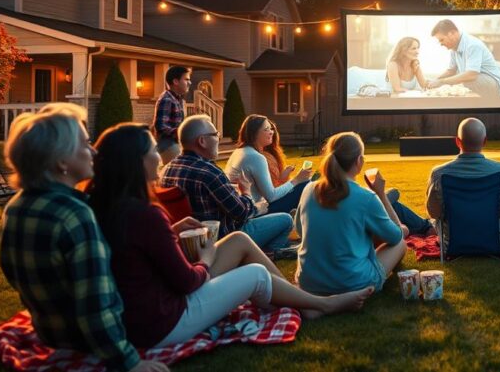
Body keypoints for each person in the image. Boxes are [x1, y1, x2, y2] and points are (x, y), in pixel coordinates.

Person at [87, 123, 372, 348]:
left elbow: (134, 256)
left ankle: (300, 300)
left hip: (139, 314)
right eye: (152, 150)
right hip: (163, 322)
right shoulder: (144, 214)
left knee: (239, 241)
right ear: (135, 162)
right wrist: (206, 259)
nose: (159, 155)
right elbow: (187, 281)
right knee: (256, 274)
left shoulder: (103, 206)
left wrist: (171, 234)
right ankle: (325, 304)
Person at [0, 103, 168, 372]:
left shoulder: (16, 207)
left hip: (49, 334)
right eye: (85, 144)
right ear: (62, 161)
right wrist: (130, 362)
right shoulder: (74, 215)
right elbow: (95, 304)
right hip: (89, 341)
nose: (94, 151)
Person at [160, 115, 294, 253]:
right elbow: (241, 214)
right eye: (216, 135)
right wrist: (246, 192)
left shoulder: (166, 170)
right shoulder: (209, 173)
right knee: (286, 220)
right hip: (223, 241)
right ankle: (273, 251)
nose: (218, 139)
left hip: (187, 244)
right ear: (202, 141)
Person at [295, 132, 409, 295]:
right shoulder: (366, 197)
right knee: (401, 243)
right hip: (351, 283)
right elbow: (396, 236)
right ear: (359, 161)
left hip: (308, 283)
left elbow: (300, 230)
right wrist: (382, 195)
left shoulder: (309, 188)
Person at [426, 118, 500, 247]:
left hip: (453, 241)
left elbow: (434, 212)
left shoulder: (438, 173)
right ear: (485, 141)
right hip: (497, 240)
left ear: (457, 142)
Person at [226, 115, 312, 215]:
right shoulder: (255, 157)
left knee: (305, 185)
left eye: (271, 128)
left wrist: (282, 179)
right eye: (266, 129)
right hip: (257, 211)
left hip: (246, 208)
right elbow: (271, 196)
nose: (272, 132)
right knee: (305, 185)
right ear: (254, 134)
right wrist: (297, 180)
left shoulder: (239, 151)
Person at [426, 19, 500, 96]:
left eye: (441, 40)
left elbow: (471, 75)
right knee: (458, 79)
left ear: (452, 33)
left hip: (495, 84)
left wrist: (442, 82)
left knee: (465, 80)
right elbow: (451, 71)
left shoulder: (472, 45)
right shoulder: (454, 48)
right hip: (478, 81)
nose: (441, 44)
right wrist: (436, 80)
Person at [152, 66, 191, 165]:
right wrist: (182, 132)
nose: (189, 83)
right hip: (168, 145)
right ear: (176, 81)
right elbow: (161, 126)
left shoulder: (178, 99)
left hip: (176, 143)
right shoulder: (167, 99)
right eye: (186, 79)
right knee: (179, 170)